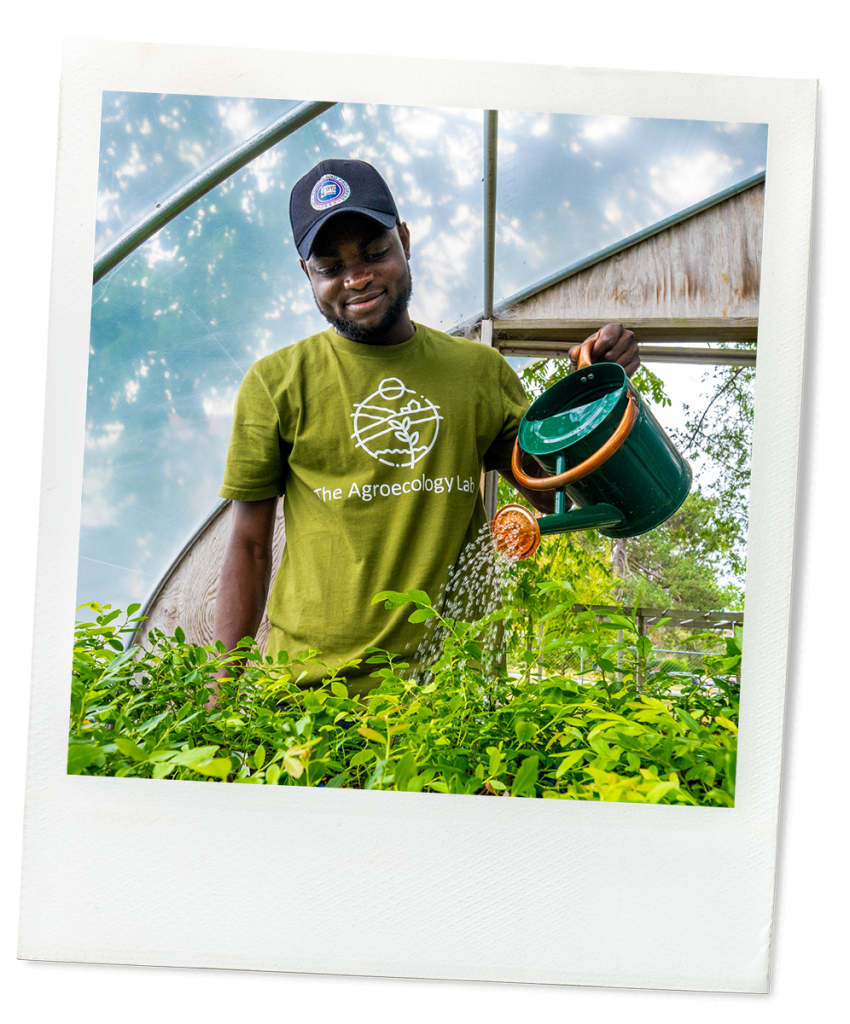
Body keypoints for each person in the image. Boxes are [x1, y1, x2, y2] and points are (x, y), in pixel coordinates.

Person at [210, 159, 639, 700]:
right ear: (307, 274)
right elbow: (249, 547)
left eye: (374, 252)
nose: (357, 277)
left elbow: (553, 487)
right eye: (330, 266)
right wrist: (222, 691)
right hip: (308, 695)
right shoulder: (276, 383)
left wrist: (595, 395)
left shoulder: (478, 373)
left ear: (405, 241)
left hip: (447, 696)